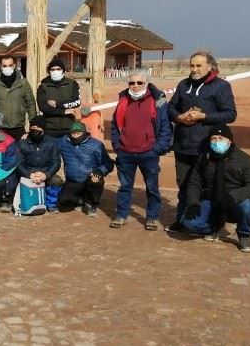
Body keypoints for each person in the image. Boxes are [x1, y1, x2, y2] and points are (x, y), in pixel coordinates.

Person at [166, 51, 237, 233]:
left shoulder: (221, 86)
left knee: (207, 186)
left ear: (209, 66)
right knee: (183, 185)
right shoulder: (183, 85)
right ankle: (182, 219)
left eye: (198, 65)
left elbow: (230, 114)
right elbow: (171, 107)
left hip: (206, 147)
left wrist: (203, 116)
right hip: (183, 145)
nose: (195, 69)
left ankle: (213, 222)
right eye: (192, 65)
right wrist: (179, 117)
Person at [109, 73, 173, 230]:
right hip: (125, 152)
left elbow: (165, 127)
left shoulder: (158, 100)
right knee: (124, 186)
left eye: (139, 82)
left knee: (152, 187)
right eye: (132, 82)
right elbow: (114, 125)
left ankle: (152, 216)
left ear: (146, 83)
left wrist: (157, 149)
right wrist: (118, 145)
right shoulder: (123, 100)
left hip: (148, 153)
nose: (135, 85)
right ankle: (122, 214)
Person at [182, 125, 250, 252]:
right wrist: (193, 202)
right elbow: (195, 182)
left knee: (248, 206)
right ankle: (214, 228)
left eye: (221, 138)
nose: (217, 141)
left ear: (229, 141)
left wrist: (233, 196)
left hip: (233, 200)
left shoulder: (244, 159)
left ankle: (245, 233)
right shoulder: (204, 157)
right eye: (214, 138)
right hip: (210, 199)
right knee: (190, 223)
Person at [58, 121, 114, 216]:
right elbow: (49, 142)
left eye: (78, 133)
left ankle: (91, 202)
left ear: (84, 133)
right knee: (64, 207)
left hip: (90, 177)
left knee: (95, 181)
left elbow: (108, 163)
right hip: (73, 180)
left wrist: (99, 171)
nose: (75, 136)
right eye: (73, 133)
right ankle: (80, 198)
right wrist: (26, 136)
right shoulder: (64, 142)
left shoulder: (96, 145)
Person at [0, 56, 37, 141]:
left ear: (14, 66)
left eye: (10, 65)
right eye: (5, 66)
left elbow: (30, 104)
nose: (7, 68)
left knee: (20, 152)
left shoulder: (23, 83)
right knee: (2, 153)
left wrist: (33, 123)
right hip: (1, 128)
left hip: (18, 127)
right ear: (1, 67)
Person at [16, 115, 63, 194]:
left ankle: (51, 203)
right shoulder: (22, 143)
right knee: (14, 181)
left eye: (38, 128)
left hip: (45, 172)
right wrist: (29, 174)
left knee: (56, 181)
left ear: (43, 130)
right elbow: (18, 163)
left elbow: (56, 162)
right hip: (28, 173)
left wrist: (46, 175)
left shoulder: (51, 142)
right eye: (33, 128)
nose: (35, 130)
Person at [37, 59, 82, 138]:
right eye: (53, 69)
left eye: (58, 69)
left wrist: (57, 104)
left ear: (63, 70)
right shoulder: (43, 86)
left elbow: (76, 102)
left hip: (68, 128)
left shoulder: (72, 84)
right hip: (49, 129)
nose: (55, 71)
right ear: (49, 71)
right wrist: (63, 111)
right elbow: (43, 107)